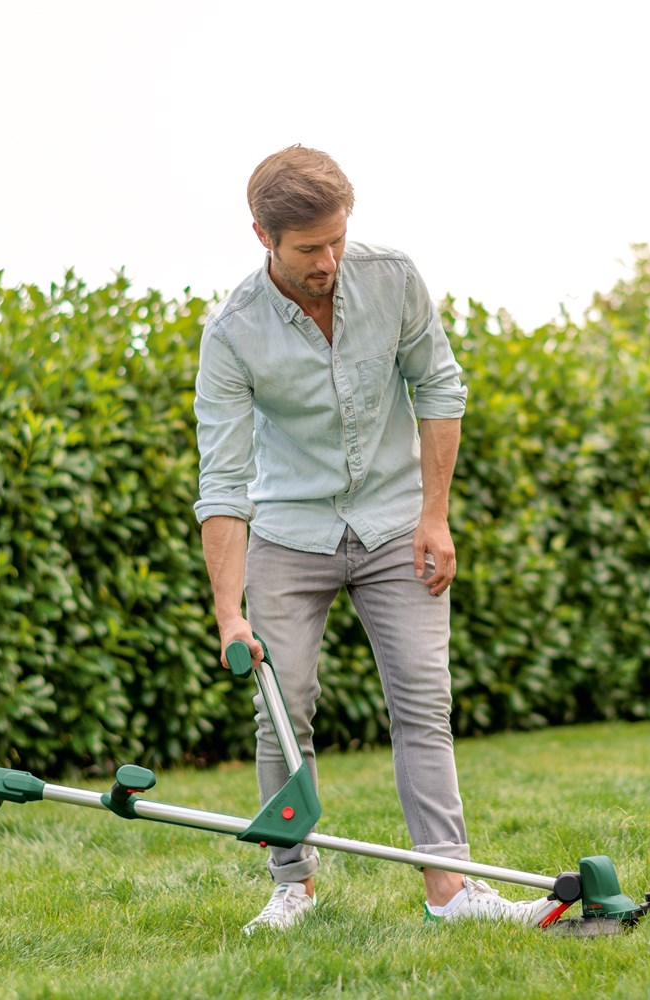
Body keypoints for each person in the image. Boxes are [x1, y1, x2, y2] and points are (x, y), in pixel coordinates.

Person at [193, 145, 565, 934]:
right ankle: (293, 887)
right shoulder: (231, 332)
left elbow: (439, 383)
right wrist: (229, 612)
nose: (328, 261)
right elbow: (223, 481)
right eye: (308, 248)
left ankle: (451, 890)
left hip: (397, 523)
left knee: (424, 702)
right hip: (290, 534)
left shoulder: (393, 278)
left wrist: (436, 515)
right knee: (282, 712)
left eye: (337, 239)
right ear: (262, 236)